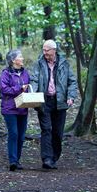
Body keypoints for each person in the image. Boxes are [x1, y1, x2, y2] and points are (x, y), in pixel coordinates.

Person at [30, 39, 77, 169]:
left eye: (47, 50)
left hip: (60, 101)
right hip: (44, 101)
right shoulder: (39, 63)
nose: (45, 53)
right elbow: (34, 79)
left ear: (54, 50)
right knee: (46, 129)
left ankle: (54, 157)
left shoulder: (64, 64)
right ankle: (46, 159)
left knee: (57, 132)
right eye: (43, 50)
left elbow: (72, 82)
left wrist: (71, 96)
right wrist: (33, 93)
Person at [0, 49, 30, 171]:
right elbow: (4, 89)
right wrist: (19, 88)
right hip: (10, 108)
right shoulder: (5, 74)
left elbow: (28, 87)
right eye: (20, 56)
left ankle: (17, 160)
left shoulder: (25, 73)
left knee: (21, 136)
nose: (22, 58)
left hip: (23, 108)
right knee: (14, 133)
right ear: (13, 60)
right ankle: (12, 161)